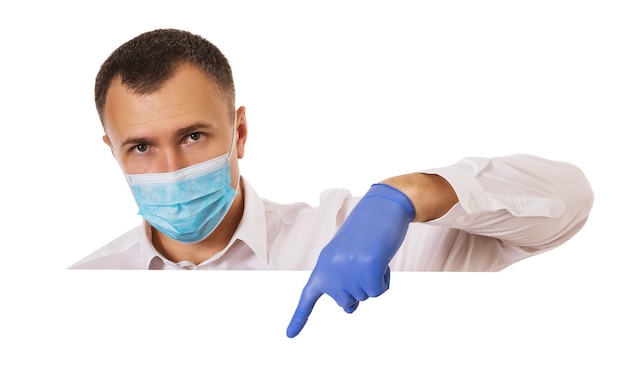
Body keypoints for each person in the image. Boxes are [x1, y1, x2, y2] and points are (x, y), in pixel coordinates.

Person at [68, 28, 594, 338]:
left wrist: (407, 196)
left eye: (193, 136)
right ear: (113, 153)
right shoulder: (80, 293)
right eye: (141, 147)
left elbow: (568, 201)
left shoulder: (366, 241)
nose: (171, 169)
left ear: (239, 132)